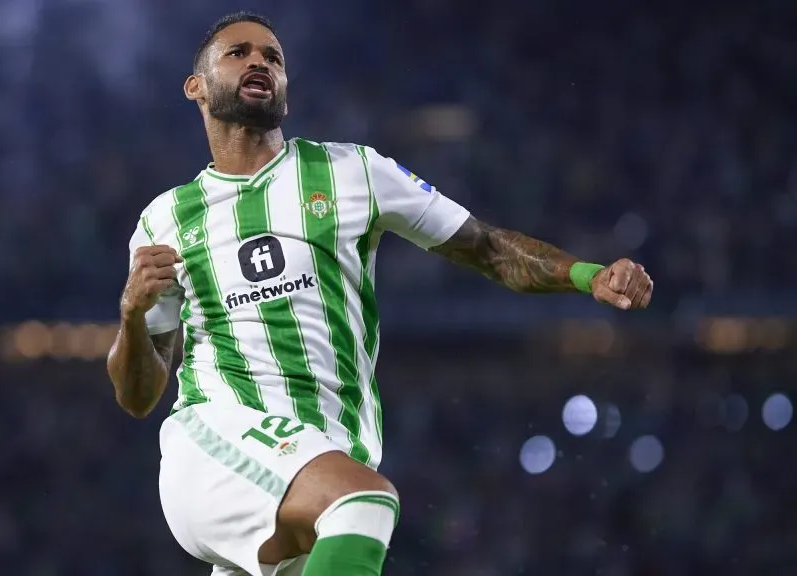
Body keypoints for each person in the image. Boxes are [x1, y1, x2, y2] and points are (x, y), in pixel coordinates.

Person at [107, 11, 653, 576]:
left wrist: (589, 275)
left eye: (273, 57)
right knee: (362, 504)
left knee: (351, 507)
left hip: (316, 468)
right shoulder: (164, 219)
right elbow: (138, 395)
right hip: (219, 444)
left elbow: (486, 246)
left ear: (286, 92)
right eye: (238, 52)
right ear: (195, 87)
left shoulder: (352, 171)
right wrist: (131, 315)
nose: (259, 62)